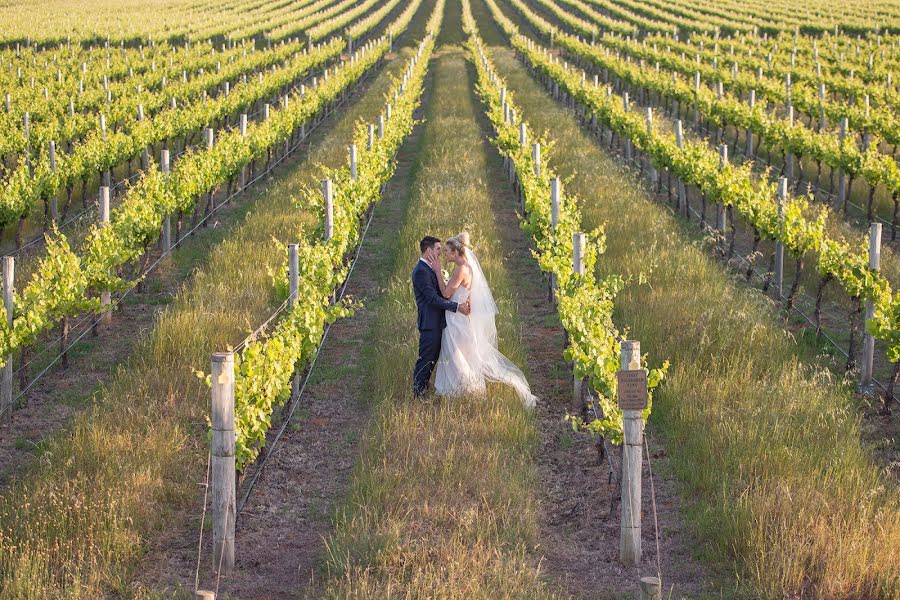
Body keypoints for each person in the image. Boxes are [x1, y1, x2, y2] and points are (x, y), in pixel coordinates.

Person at [425, 231, 537, 408]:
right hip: (459, 317)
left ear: (455, 252)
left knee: (456, 355)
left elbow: (446, 293)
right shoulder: (467, 267)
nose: (444, 255)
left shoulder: (461, 269)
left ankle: (461, 391)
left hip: (456, 319)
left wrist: (438, 272)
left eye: (447, 251)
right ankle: (461, 392)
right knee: (462, 354)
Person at [411, 235, 471, 397]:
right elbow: (432, 299)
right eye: (438, 249)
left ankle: (424, 389)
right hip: (430, 323)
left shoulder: (428, 269)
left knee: (433, 358)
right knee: (426, 358)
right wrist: (457, 306)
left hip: (438, 322)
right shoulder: (421, 271)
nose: (440, 253)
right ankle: (418, 393)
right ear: (429, 250)